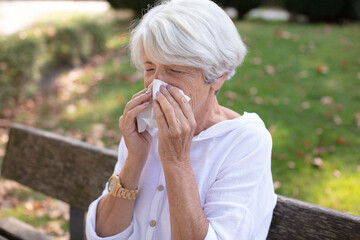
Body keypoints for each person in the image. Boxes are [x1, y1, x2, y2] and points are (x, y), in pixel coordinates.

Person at [86, 0, 277, 239]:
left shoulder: (244, 141)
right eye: (149, 69)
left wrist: (176, 161)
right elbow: (103, 235)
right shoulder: (145, 129)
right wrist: (134, 160)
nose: (158, 84)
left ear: (217, 76)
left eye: (175, 70)